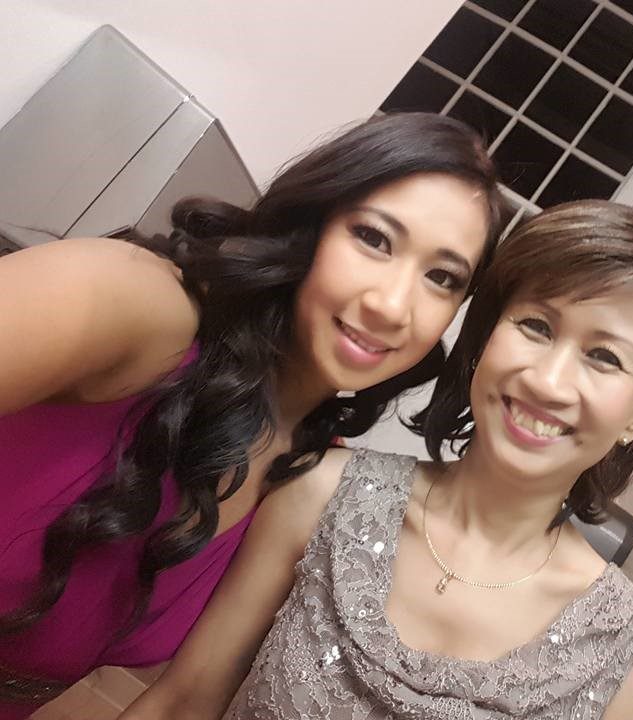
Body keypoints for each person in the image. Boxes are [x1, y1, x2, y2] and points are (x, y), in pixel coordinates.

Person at [121, 199, 633, 720]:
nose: (549, 381)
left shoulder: (632, 653)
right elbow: (181, 705)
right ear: (486, 339)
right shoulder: (320, 495)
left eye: (604, 357)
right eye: (536, 326)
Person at [0, 112, 507, 718]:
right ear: (311, 226)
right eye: (374, 239)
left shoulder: (311, 479)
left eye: (442, 277)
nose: (394, 306)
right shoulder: (136, 302)